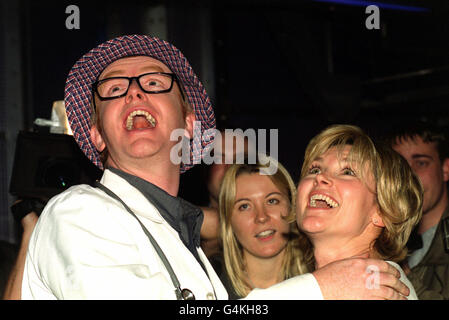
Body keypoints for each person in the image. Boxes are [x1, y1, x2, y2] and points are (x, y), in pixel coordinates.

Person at [21, 35, 410, 300]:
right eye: (114, 89)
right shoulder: (79, 212)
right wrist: (318, 289)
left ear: (189, 127)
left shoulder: (188, 250)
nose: (134, 91)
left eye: (155, 83)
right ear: (96, 135)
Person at [296, 124, 422, 299]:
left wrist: (320, 287)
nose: (319, 177)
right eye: (315, 169)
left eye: (348, 172)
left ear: (383, 212)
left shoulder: (381, 289)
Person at [216, 157, 308, 299]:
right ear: (229, 221)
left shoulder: (320, 280)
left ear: (292, 206)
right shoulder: (208, 286)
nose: (261, 217)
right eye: (244, 206)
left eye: (272, 201)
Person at [384, 121, 449, 299]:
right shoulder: (387, 236)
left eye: (421, 163)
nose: (408, 175)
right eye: (399, 165)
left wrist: (399, 277)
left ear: (445, 169)